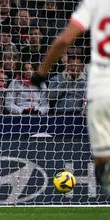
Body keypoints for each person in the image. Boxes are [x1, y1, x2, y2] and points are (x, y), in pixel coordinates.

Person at [30, 0, 110, 196]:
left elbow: (64, 41)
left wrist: (41, 72)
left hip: (101, 90)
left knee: (103, 164)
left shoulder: (94, 3)